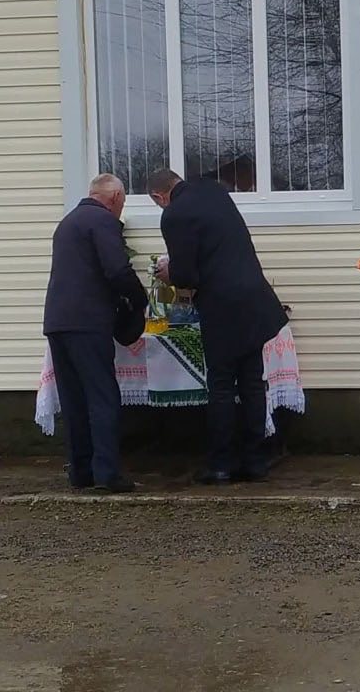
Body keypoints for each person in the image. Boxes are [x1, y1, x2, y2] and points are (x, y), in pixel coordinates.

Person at [148, 169, 288, 485]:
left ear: (160, 197)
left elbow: (186, 277)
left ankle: (220, 464)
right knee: (253, 382)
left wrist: (170, 273)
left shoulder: (174, 215)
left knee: (222, 386)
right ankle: (255, 461)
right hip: (254, 297)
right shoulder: (214, 191)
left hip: (223, 306)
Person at [43, 174, 148, 493]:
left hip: (58, 321)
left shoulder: (68, 223)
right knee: (102, 396)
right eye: (123, 203)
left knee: (74, 399)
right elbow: (116, 270)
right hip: (88, 322)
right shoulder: (101, 222)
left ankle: (81, 470)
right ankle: (107, 473)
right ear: (114, 197)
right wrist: (139, 298)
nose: (120, 210)